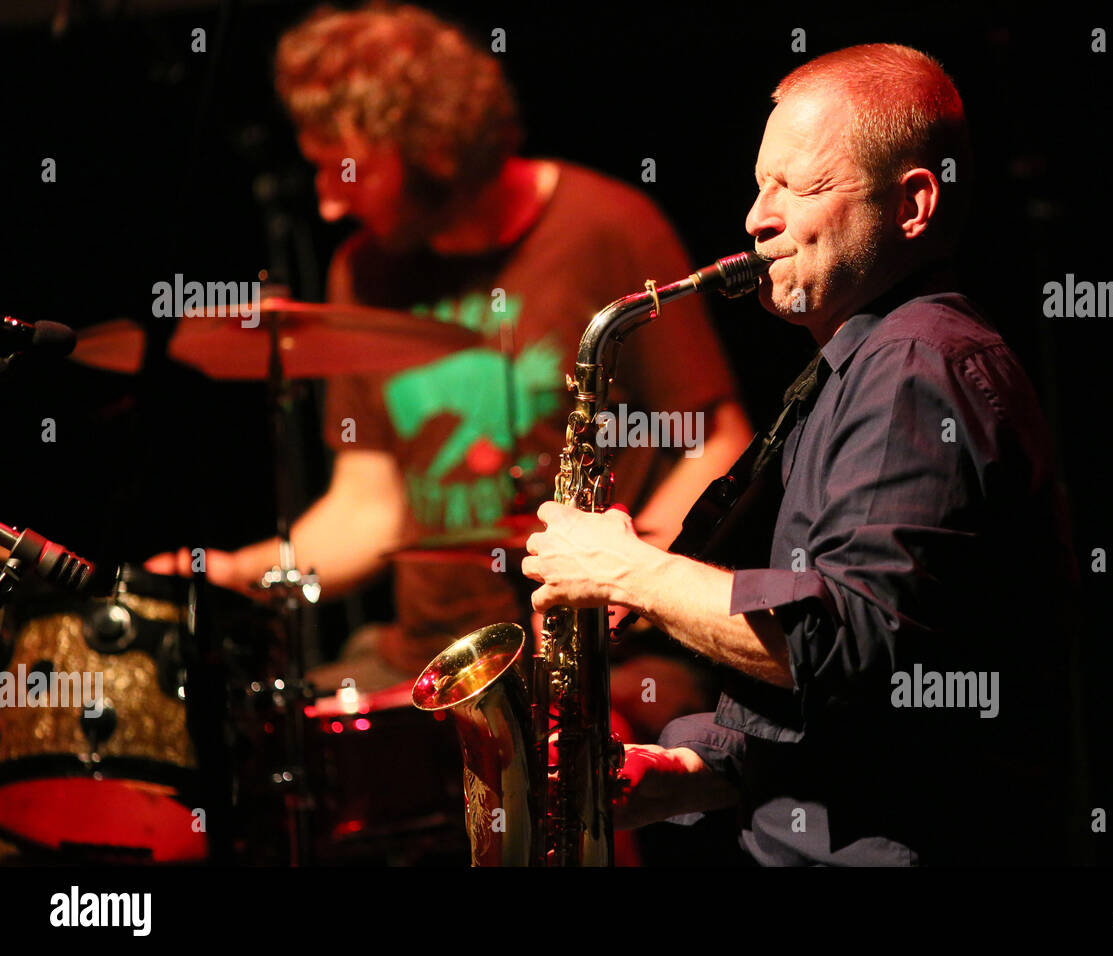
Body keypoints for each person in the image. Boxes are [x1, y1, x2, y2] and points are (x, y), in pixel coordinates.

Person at [521, 43, 1080, 865]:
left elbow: (841, 645)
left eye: (801, 186)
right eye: (759, 185)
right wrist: (703, 768)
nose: (757, 218)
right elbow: (875, 703)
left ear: (913, 205)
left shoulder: (916, 369)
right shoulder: (866, 367)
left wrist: (626, 572)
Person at [148, 4, 751, 732]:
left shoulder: (609, 227)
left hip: (597, 655)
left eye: (347, 172)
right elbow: (369, 505)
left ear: (431, 148)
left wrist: (636, 573)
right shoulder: (364, 269)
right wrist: (239, 571)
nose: (329, 203)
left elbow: (714, 439)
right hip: (427, 664)